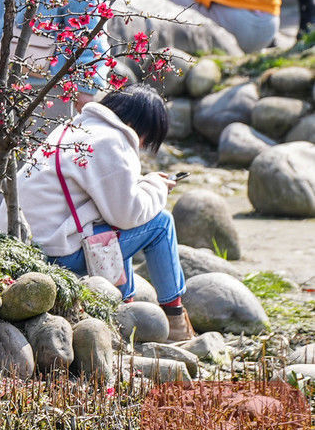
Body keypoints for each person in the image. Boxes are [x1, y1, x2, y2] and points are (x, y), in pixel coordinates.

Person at [15, 85, 192, 341]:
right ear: (135, 124)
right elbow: (127, 214)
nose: (142, 145)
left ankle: (127, 306)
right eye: (147, 138)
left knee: (117, 223)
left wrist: (144, 182)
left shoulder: (74, 128)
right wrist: (156, 185)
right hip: (57, 254)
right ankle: (175, 318)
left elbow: (107, 196)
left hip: (28, 245)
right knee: (161, 223)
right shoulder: (111, 141)